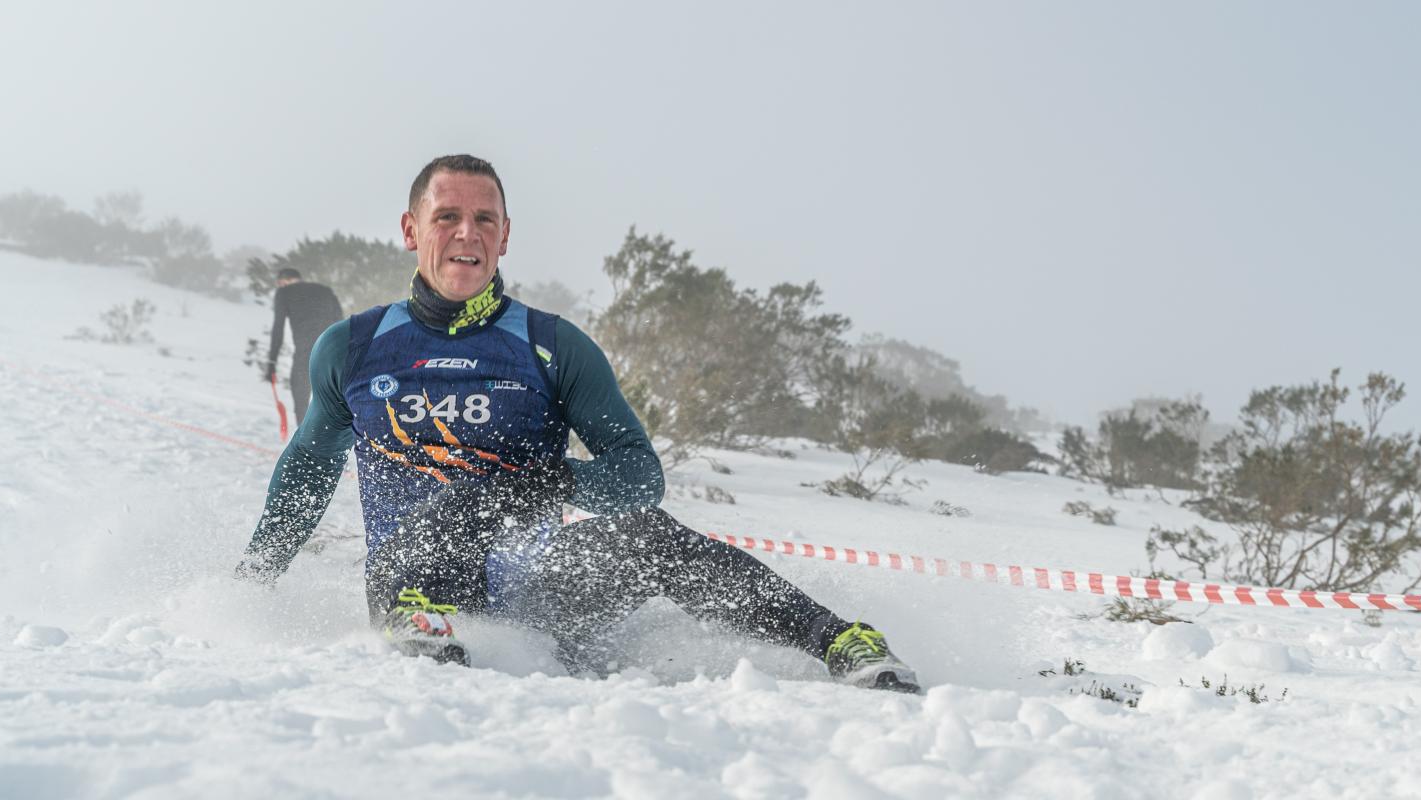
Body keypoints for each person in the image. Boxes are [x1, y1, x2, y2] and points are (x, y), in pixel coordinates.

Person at [234, 154, 918, 692]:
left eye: (485, 219)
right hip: (411, 582)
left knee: (645, 533)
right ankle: (421, 622)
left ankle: (839, 640)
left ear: (505, 236)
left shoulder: (551, 344)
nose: (466, 233)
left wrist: (548, 481)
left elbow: (639, 477)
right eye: (446, 216)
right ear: (412, 230)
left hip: (538, 593)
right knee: (460, 498)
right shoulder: (354, 346)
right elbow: (308, 469)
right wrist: (251, 586)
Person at [266, 267, 344, 424]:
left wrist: (272, 362)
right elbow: (340, 321)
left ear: (284, 282)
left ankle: (306, 442)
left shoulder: (284, 293)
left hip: (307, 352)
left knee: (300, 398)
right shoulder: (326, 291)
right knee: (332, 401)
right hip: (333, 350)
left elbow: (278, 329)